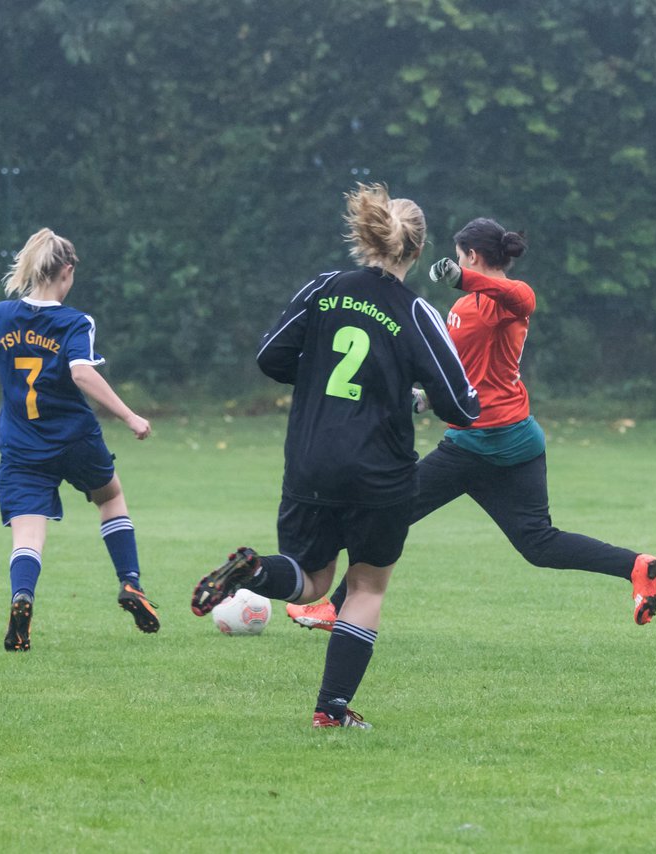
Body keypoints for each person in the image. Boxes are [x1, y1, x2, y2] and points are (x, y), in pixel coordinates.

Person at [189, 183, 479, 729]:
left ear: (368, 238)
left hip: (310, 460)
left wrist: (321, 377)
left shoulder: (324, 288)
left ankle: (252, 571)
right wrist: (403, 391)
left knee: (311, 578)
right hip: (380, 472)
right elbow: (461, 407)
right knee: (365, 586)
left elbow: (270, 356)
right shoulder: (417, 312)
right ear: (415, 252)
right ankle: (331, 709)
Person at [286, 217, 656, 632]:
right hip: (507, 441)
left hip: (483, 443)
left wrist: (462, 277)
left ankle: (334, 607)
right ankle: (636, 566)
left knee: (384, 515)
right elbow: (460, 373)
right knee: (537, 544)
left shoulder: (511, 299)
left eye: (460, 256)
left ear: (471, 256)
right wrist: (426, 398)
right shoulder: (462, 308)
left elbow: (518, 294)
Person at [0, 228, 159, 652]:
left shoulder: (1, 315)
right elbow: (81, 372)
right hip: (75, 439)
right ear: (68, 270)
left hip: (21, 446)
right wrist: (130, 415)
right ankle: (130, 583)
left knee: (27, 536)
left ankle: (22, 597)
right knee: (110, 498)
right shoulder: (74, 321)